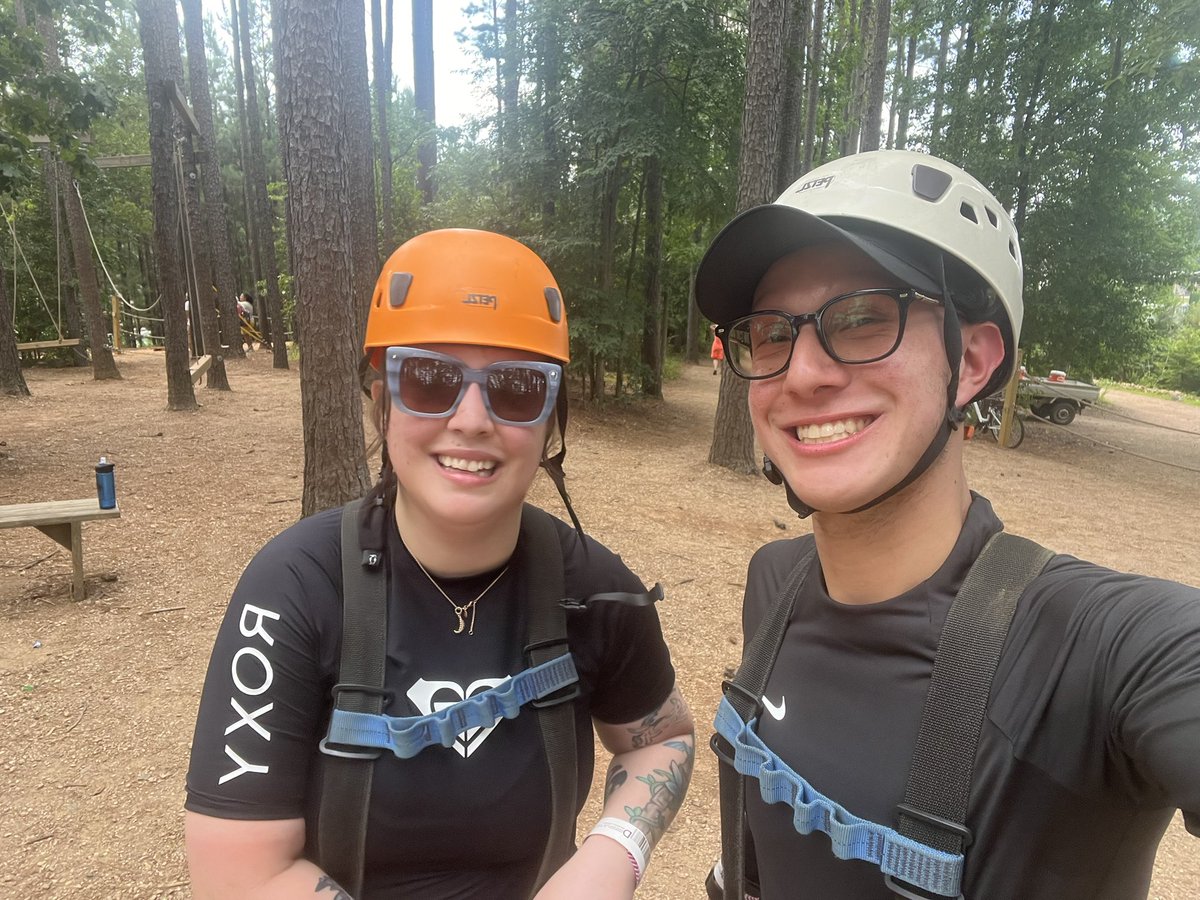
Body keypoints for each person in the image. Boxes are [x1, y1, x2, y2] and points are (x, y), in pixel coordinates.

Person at [696, 150, 1199, 899]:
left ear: (972, 362)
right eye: (771, 333)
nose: (801, 374)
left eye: (864, 318)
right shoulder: (775, 581)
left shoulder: (1103, 651)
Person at [184, 229, 695, 899]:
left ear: (548, 424)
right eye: (430, 380)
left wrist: (613, 854)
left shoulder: (592, 588)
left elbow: (662, 739)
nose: (473, 419)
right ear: (381, 403)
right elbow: (240, 875)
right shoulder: (296, 589)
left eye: (516, 389)